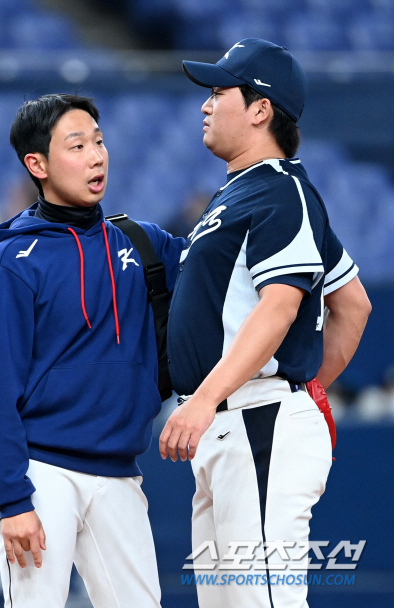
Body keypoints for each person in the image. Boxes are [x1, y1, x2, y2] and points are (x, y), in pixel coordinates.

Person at [158, 39, 371, 608]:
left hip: (258, 419)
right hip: (237, 424)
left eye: (218, 92)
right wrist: (301, 386)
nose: (205, 104)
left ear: (260, 109)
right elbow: (353, 303)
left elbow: (281, 304)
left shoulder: (281, 188)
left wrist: (291, 390)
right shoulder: (251, 191)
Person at [0, 93, 185, 607]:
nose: (96, 156)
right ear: (36, 164)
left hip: (118, 468)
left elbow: (220, 267)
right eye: (78, 145)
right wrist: (12, 499)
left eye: (100, 141)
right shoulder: (10, 263)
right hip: (39, 469)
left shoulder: (142, 244)